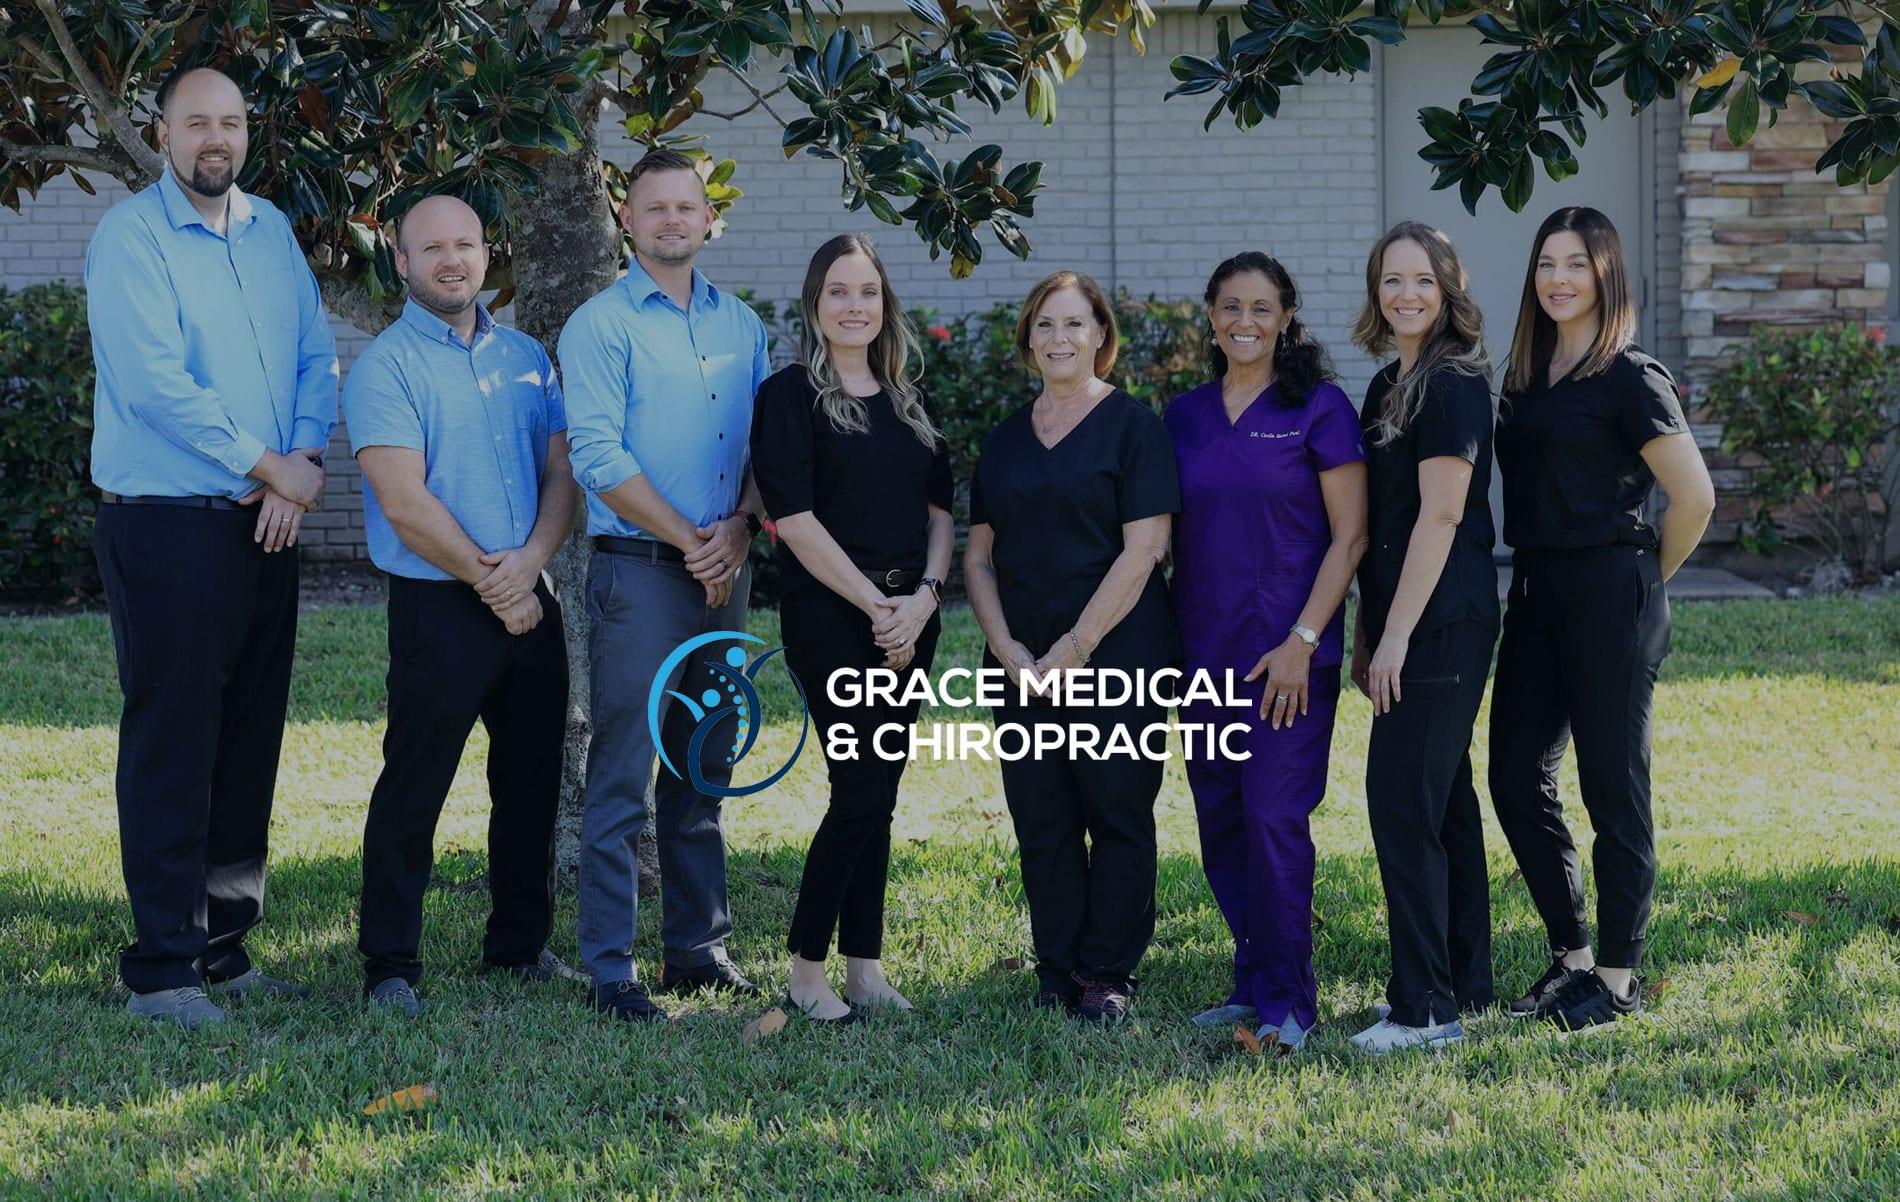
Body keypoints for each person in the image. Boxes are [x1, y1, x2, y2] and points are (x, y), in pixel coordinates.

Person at [85, 64, 338, 1030]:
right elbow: (155, 384)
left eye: (230, 122)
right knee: (176, 742)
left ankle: (224, 948)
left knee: (247, 741)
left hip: (265, 522)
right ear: (162, 134)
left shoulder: (271, 230)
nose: (215, 139)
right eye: (197, 123)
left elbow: (317, 351)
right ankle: (161, 969)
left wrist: (302, 456)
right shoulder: (131, 238)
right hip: (168, 525)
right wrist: (272, 464)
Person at [342, 196, 583, 1017]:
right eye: (430, 248)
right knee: (414, 787)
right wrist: (497, 583)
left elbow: (562, 474)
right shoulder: (385, 368)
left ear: (488, 255)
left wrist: (531, 568)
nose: (451, 260)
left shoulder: (527, 359)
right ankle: (389, 967)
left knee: (530, 786)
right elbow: (405, 504)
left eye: (466, 245)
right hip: (438, 608)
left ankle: (518, 947)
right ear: (400, 262)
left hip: (531, 594)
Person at [559, 148, 772, 1021]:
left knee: (705, 766)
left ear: (708, 217)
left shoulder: (744, 326)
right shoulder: (600, 325)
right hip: (641, 577)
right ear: (627, 218)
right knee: (623, 776)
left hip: (726, 571)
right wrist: (695, 540)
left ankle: (697, 947)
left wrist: (741, 529)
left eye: (687, 207)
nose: (672, 221)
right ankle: (612, 969)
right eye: (655, 209)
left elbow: (771, 448)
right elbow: (599, 459)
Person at [1490, 207, 1714, 1030]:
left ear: (1606, 274)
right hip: (1538, 590)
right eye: (1547, 263)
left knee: (1612, 791)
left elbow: (1694, 498)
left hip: (1611, 588)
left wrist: (1644, 582)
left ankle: (1618, 980)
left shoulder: (1630, 375)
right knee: (1513, 774)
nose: (1557, 279)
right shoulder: (1525, 374)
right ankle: (1573, 957)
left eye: (1576, 264)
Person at [964, 271, 1180, 1025]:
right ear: (1028, 339)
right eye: (1045, 325)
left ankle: (1106, 969)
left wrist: (1076, 646)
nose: (1060, 338)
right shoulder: (1004, 439)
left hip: (1117, 653)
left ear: (1100, 336)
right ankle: (1056, 964)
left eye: (1075, 324)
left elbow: (1146, 548)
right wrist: (1006, 647)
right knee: (1043, 814)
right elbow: (977, 557)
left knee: (1117, 807)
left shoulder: (1133, 427)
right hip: (1022, 666)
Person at [1165, 253, 1367, 1051]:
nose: (1244, 322)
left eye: (1261, 308)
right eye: (1229, 308)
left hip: (1289, 657)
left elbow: (1350, 537)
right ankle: (1252, 980)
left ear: (1286, 318)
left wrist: (1303, 640)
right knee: (1222, 818)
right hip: (1203, 648)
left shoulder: (1318, 409)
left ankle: (1291, 1002)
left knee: (1274, 816)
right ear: (1210, 317)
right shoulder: (1182, 416)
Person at [751, 235, 955, 1023]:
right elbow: (793, 520)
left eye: (867, 291)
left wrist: (926, 599)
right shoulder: (788, 397)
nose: (854, 306)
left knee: (882, 792)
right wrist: (878, 608)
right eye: (839, 291)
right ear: (814, 303)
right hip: (835, 619)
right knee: (860, 789)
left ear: (884, 304)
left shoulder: (908, 397)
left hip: (913, 618)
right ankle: (806, 972)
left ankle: (864, 967)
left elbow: (942, 514)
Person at [1346, 222, 1499, 1055]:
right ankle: (1465, 983)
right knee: (1442, 802)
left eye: (1423, 282)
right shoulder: (1386, 386)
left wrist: (1397, 635)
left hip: (1446, 621)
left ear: (1450, 292)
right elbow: (1386, 526)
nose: (1406, 295)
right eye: (1391, 281)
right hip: (1404, 620)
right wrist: (1371, 629)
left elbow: (1442, 516)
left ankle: (1424, 1008)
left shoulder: (1453, 385)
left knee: (1401, 799)